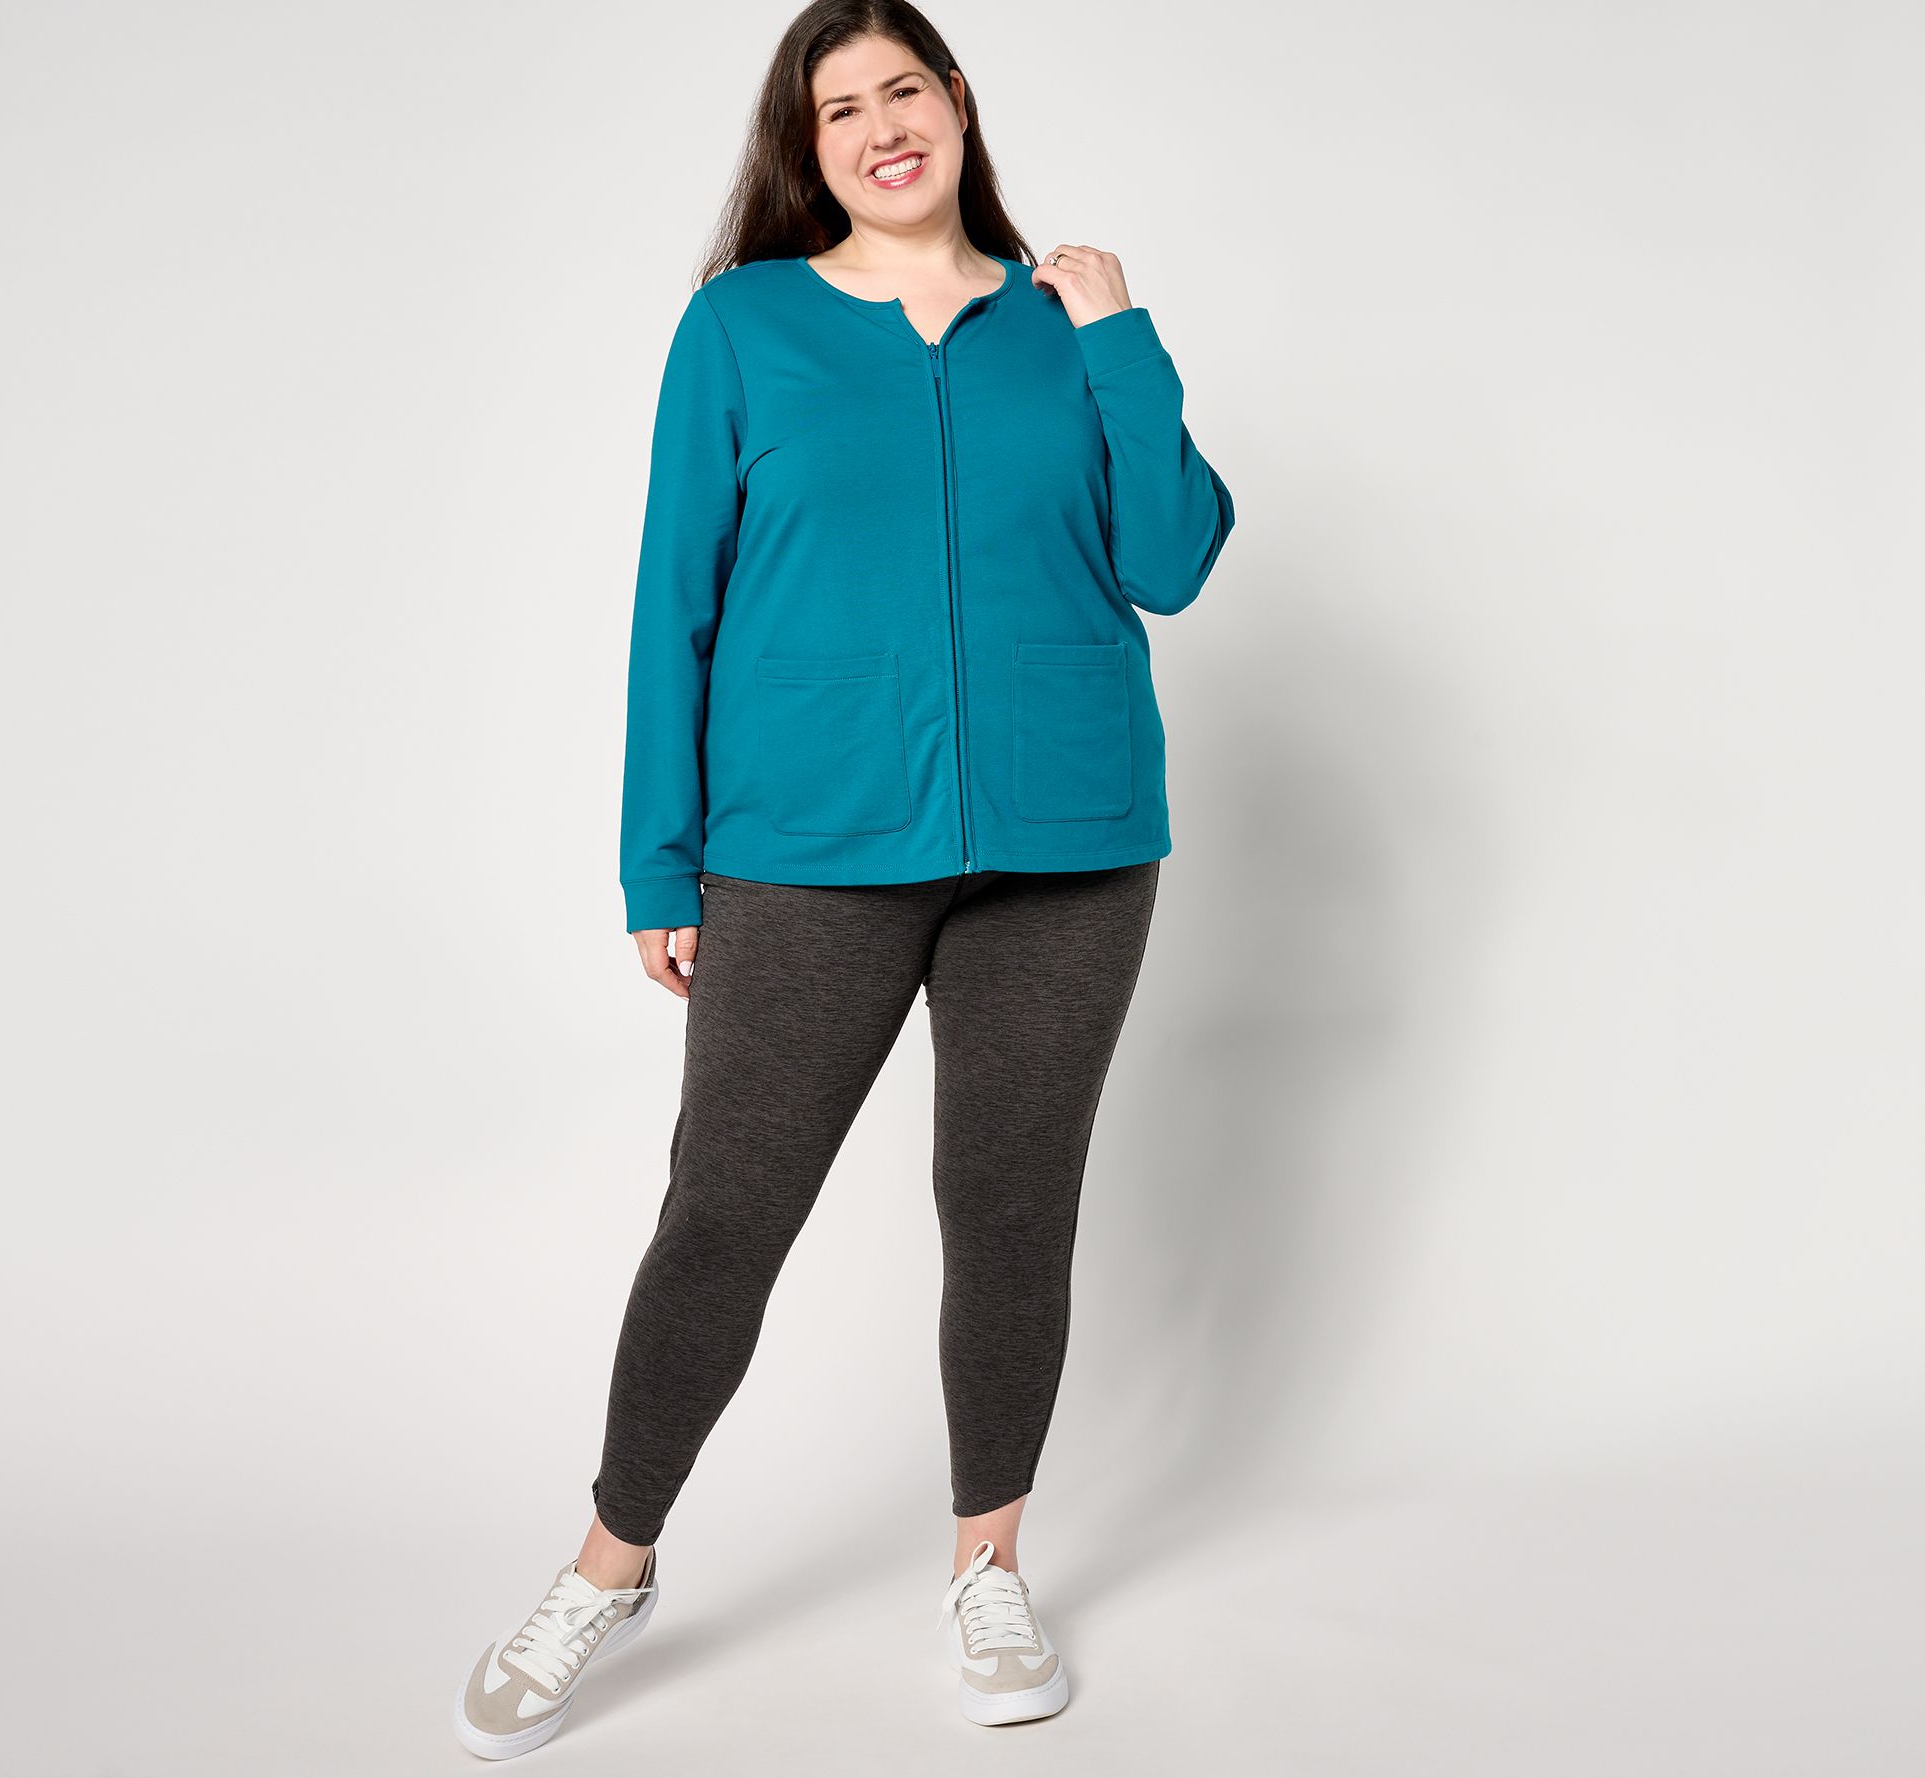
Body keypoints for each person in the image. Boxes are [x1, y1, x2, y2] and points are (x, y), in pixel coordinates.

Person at [454, 0, 1234, 1756]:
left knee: (1011, 1216)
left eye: (903, 90)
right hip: (805, 849)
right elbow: (675, 600)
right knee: (723, 1217)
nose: (882, 128)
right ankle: (607, 1565)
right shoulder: (744, 326)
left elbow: (1174, 559)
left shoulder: (1067, 327)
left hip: (1072, 844)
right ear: (805, 148)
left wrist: (1121, 336)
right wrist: (661, 858)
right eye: (839, 110)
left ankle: (988, 1565)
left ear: (958, 102)